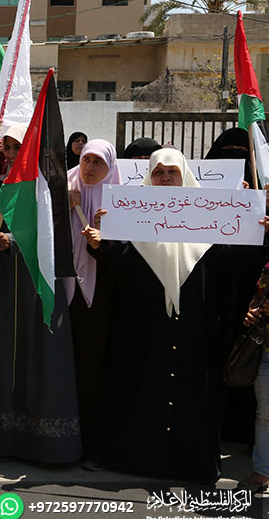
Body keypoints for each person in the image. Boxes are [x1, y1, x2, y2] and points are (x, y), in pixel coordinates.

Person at [84, 147, 267, 481]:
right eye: (158, 172)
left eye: (172, 172)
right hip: (145, 326)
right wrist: (101, 244)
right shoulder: (131, 214)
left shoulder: (210, 217)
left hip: (194, 327)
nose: (166, 178)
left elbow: (233, 259)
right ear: (149, 177)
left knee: (192, 396)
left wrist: (257, 230)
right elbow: (121, 259)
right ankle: (133, 458)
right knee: (141, 389)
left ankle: (190, 462)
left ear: (184, 175)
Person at [0, 125, 83, 464]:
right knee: (6, 352)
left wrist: (12, 242)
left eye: (15, 146)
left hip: (39, 285)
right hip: (7, 284)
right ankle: (3, 438)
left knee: (41, 356)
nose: (8, 153)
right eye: (5, 146)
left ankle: (46, 444)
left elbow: (53, 239)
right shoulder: (4, 185)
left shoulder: (49, 187)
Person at [65, 139, 120, 469]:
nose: (89, 168)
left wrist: (107, 235)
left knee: (94, 369)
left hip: (102, 298)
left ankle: (91, 441)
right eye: (86, 161)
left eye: (98, 163)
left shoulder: (122, 199)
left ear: (110, 167)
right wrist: (62, 204)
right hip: (65, 291)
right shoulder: (65, 189)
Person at [207, 127, 261, 445]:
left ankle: (242, 431)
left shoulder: (262, 196)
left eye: (243, 155)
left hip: (249, 295)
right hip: (209, 292)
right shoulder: (196, 195)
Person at [240, 276, 269, 492]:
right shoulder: (267, 267)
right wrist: (253, 310)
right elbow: (257, 298)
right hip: (265, 351)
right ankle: (262, 472)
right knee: (265, 413)